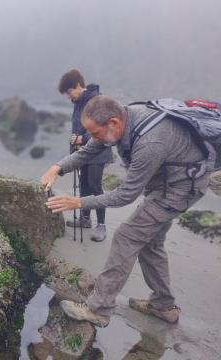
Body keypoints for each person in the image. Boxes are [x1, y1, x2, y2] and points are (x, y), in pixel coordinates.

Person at [40, 95, 211, 327]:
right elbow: (88, 151)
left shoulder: (151, 142)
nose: (93, 138)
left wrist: (79, 203)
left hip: (180, 188)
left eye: (96, 133)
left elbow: (125, 195)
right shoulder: (121, 119)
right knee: (150, 242)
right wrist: (57, 167)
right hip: (167, 181)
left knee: (127, 236)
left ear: (113, 122)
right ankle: (163, 306)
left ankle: (98, 309)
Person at [57, 69, 113, 242]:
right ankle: (85, 219)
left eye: (69, 92)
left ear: (78, 86)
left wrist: (83, 138)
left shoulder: (97, 101)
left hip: (99, 151)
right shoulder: (77, 103)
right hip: (82, 153)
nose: (68, 96)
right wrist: (74, 143)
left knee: (95, 187)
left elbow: (105, 127)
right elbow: (77, 128)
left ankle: (101, 225)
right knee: (83, 186)